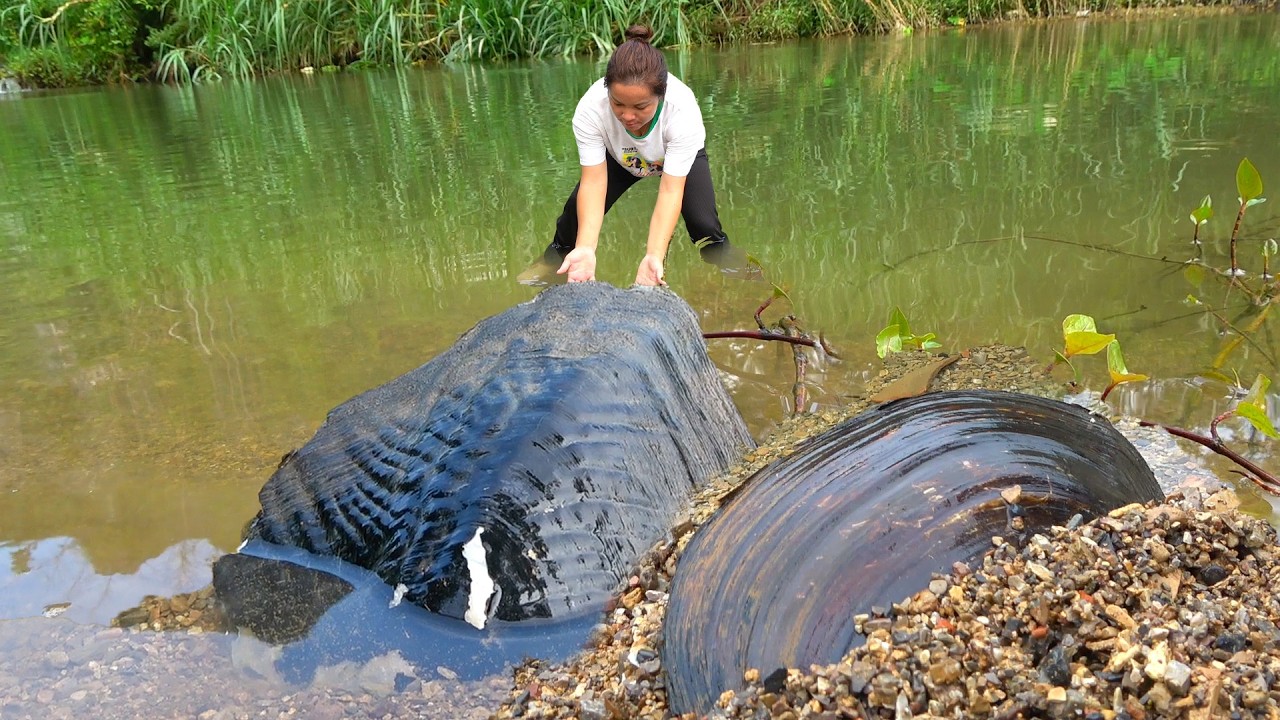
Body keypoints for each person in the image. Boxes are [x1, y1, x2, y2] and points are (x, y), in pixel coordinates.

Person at [520, 24, 743, 288]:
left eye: (640, 106)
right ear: (607, 92)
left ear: (661, 96)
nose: (627, 116)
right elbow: (593, 182)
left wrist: (653, 256)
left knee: (704, 226)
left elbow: (671, 191)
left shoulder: (682, 112)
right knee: (573, 218)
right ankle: (553, 258)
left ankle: (735, 268)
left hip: (676, 156)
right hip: (621, 157)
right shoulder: (591, 109)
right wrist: (586, 248)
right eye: (618, 104)